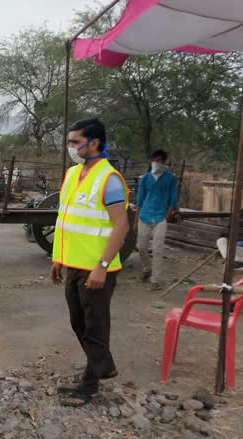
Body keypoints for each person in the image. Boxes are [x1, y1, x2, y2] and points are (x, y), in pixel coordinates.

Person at [50, 118, 129, 408]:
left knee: (95, 326)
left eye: (74, 142)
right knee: (78, 321)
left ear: (94, 143)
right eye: (69, 141)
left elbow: (121, 226)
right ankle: (102, 365)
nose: (70, 147)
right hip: (72, 263)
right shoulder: (72, 174)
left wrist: (102, 266)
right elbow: (66, 220)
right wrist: (58, 258)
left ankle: (89, 384)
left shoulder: (109, 179)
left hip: (97, 268)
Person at [134, 149, 178, 290]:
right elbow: (139, 201)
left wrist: (166, 216)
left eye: (160, 160)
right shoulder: (145, 179)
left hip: (160, 217)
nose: (157, 163)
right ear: (151, 161)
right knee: (141, 247)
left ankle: (155, 279)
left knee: (158, 249)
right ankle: (147, 269)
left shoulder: (170, 179)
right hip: (144, 216)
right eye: (155, 160)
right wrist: (135, 221)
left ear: (164, 162)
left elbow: (173, 200)